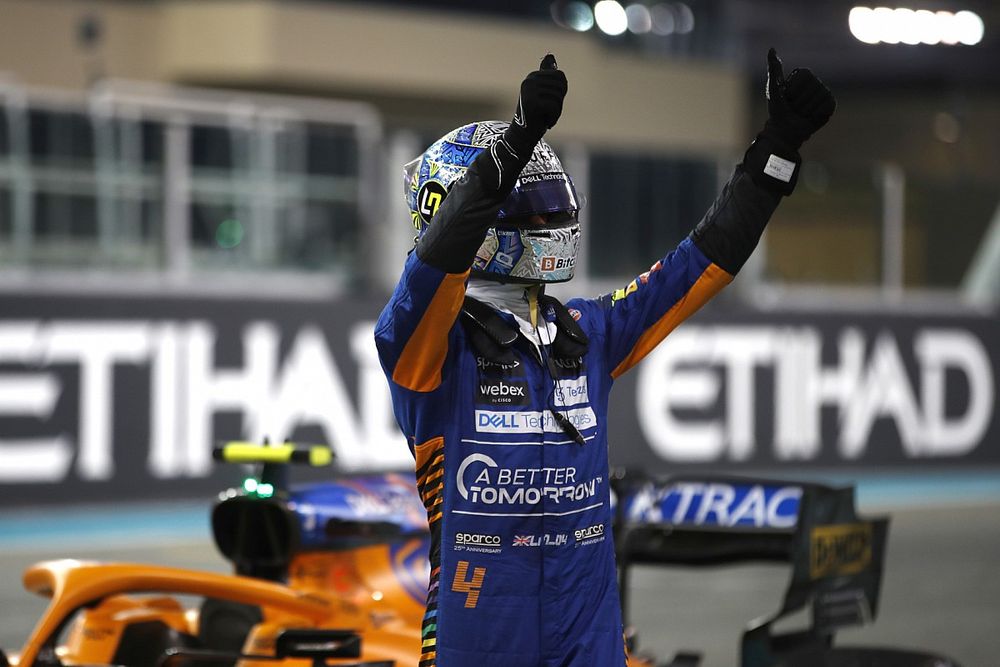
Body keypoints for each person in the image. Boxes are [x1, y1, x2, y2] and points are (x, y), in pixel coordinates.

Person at [375, 51, 834, 667]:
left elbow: (701, 263)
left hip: (590, 642)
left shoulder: (586, 331)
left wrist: (777, 150)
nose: (553, 219)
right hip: (477, 643)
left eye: (553, 204)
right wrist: (511, 147)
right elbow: (432, 270)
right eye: (532, 208)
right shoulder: (424, 350)